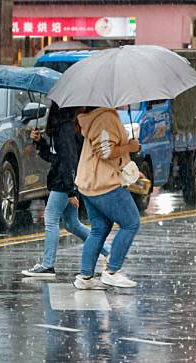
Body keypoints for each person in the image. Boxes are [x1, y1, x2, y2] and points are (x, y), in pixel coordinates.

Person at [21, 104, 92, 278]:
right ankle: (107, 251)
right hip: (64, 180)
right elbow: (53, 157)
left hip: (63, 182)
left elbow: (69, 160)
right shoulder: (61, 129)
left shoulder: (66, 129)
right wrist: (40, 142)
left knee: (51, 218)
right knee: (71, 224)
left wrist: (70, 190)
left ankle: (47, 265)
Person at [73, 107, 141, 290]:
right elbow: (105, 151)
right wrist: (131, 147)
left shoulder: (95, 116)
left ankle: (85, 276)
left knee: (99, 229)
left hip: (90, 182)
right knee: (131, 223)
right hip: (104, 183)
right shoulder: (105, 117)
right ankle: (112, 272)